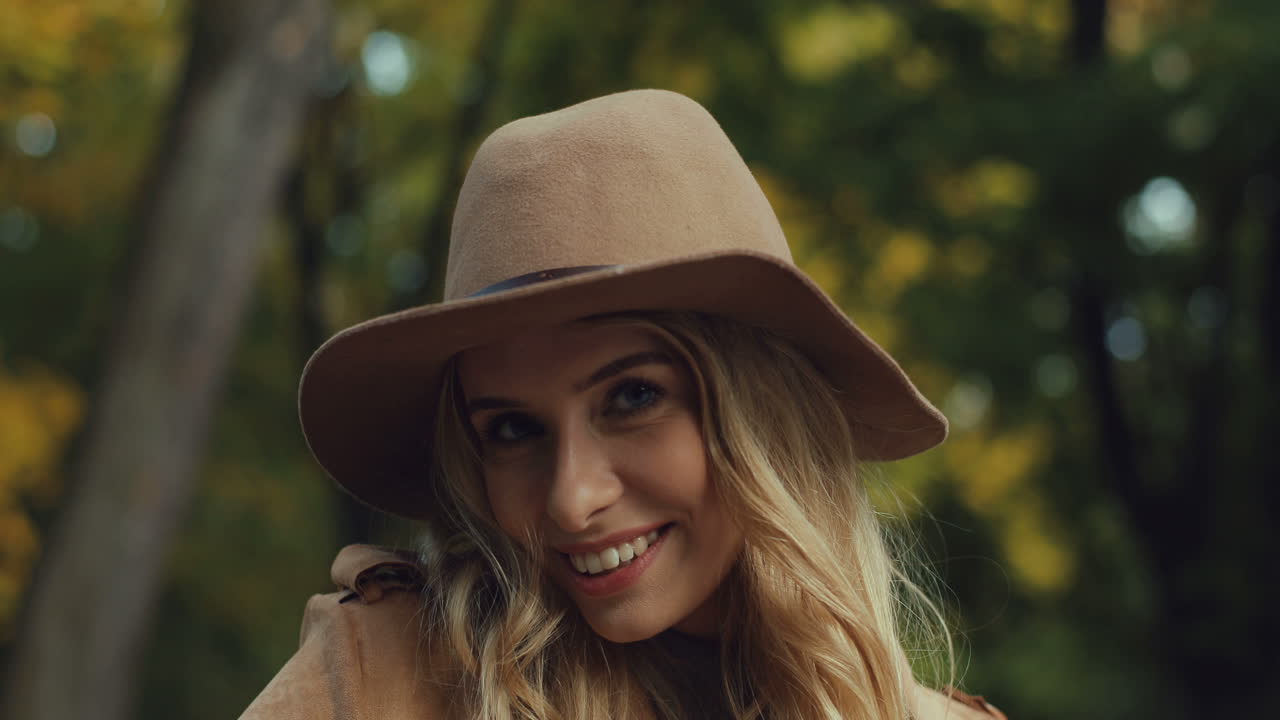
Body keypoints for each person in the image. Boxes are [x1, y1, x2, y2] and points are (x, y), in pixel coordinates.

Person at [241, 89, 1007, 720]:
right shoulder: (387, 678)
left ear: (764, 412)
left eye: (633, 397)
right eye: (511, 429)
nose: (573, 501)